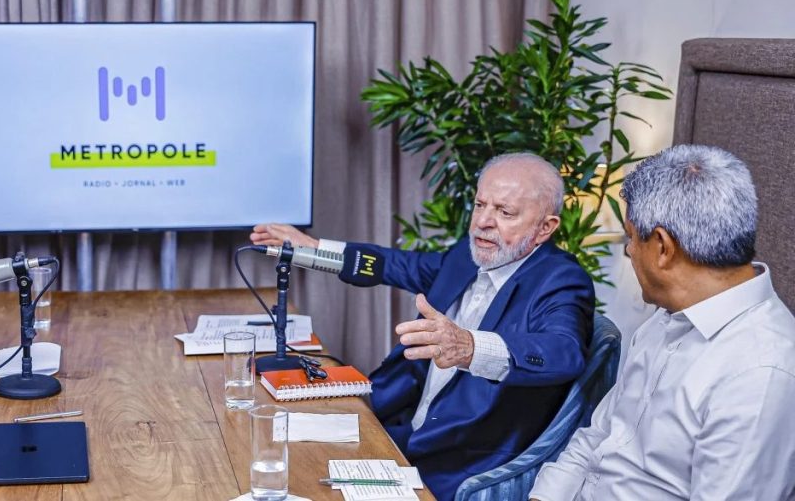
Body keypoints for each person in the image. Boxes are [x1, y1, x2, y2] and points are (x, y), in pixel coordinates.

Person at [252, 152, 595, 499]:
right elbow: (398, 265)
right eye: (480, 205)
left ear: (545, 227)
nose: (483, 222)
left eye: (505, 212)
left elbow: (563, 352)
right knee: (275, 454)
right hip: (398, 424)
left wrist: (470, 347)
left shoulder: (561, 279)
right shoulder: (467, 254)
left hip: (460, 462)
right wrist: (316, 249)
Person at [528, 144, 795, 501]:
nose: (628, 250)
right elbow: (597, 435)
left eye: (631, 237)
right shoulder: (664, 319)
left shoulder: (761, 373)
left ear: (663, 247)